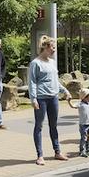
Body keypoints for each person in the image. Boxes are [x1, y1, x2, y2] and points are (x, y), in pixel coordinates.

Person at [29, 36, 68, 165]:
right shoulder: (35, 63)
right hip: (41, 98)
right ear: (45, 47)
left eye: (54, 47)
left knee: (54, 125)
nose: (54, 50)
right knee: (39, 126)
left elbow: (55, 80)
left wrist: (65, 91)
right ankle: (40, 155)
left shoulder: (52, 62)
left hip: (53, 97)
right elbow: (32, 82)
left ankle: (57, 151)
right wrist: (33, 99)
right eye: (52, 47)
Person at [78, 88, 89, 157]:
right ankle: (82, 151)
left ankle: (88, 150)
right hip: (83, 124)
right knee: (84, 138)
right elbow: (73, 106)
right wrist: (69, 101)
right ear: (84, 97)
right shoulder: (80, 104)